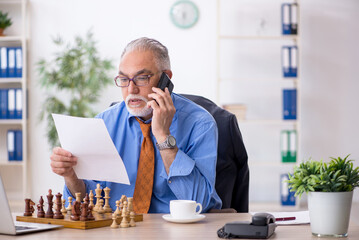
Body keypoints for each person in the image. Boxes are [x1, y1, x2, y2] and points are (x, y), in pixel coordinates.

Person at [50, 37, 222, 213]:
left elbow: (199, 203)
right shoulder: (104, 123)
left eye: (141, 78)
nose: (131, 90)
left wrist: (163, 136)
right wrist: (70, 176)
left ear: (166, 78)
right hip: (120, 228)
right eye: (123, 79)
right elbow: (90, 202)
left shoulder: (201, 124)